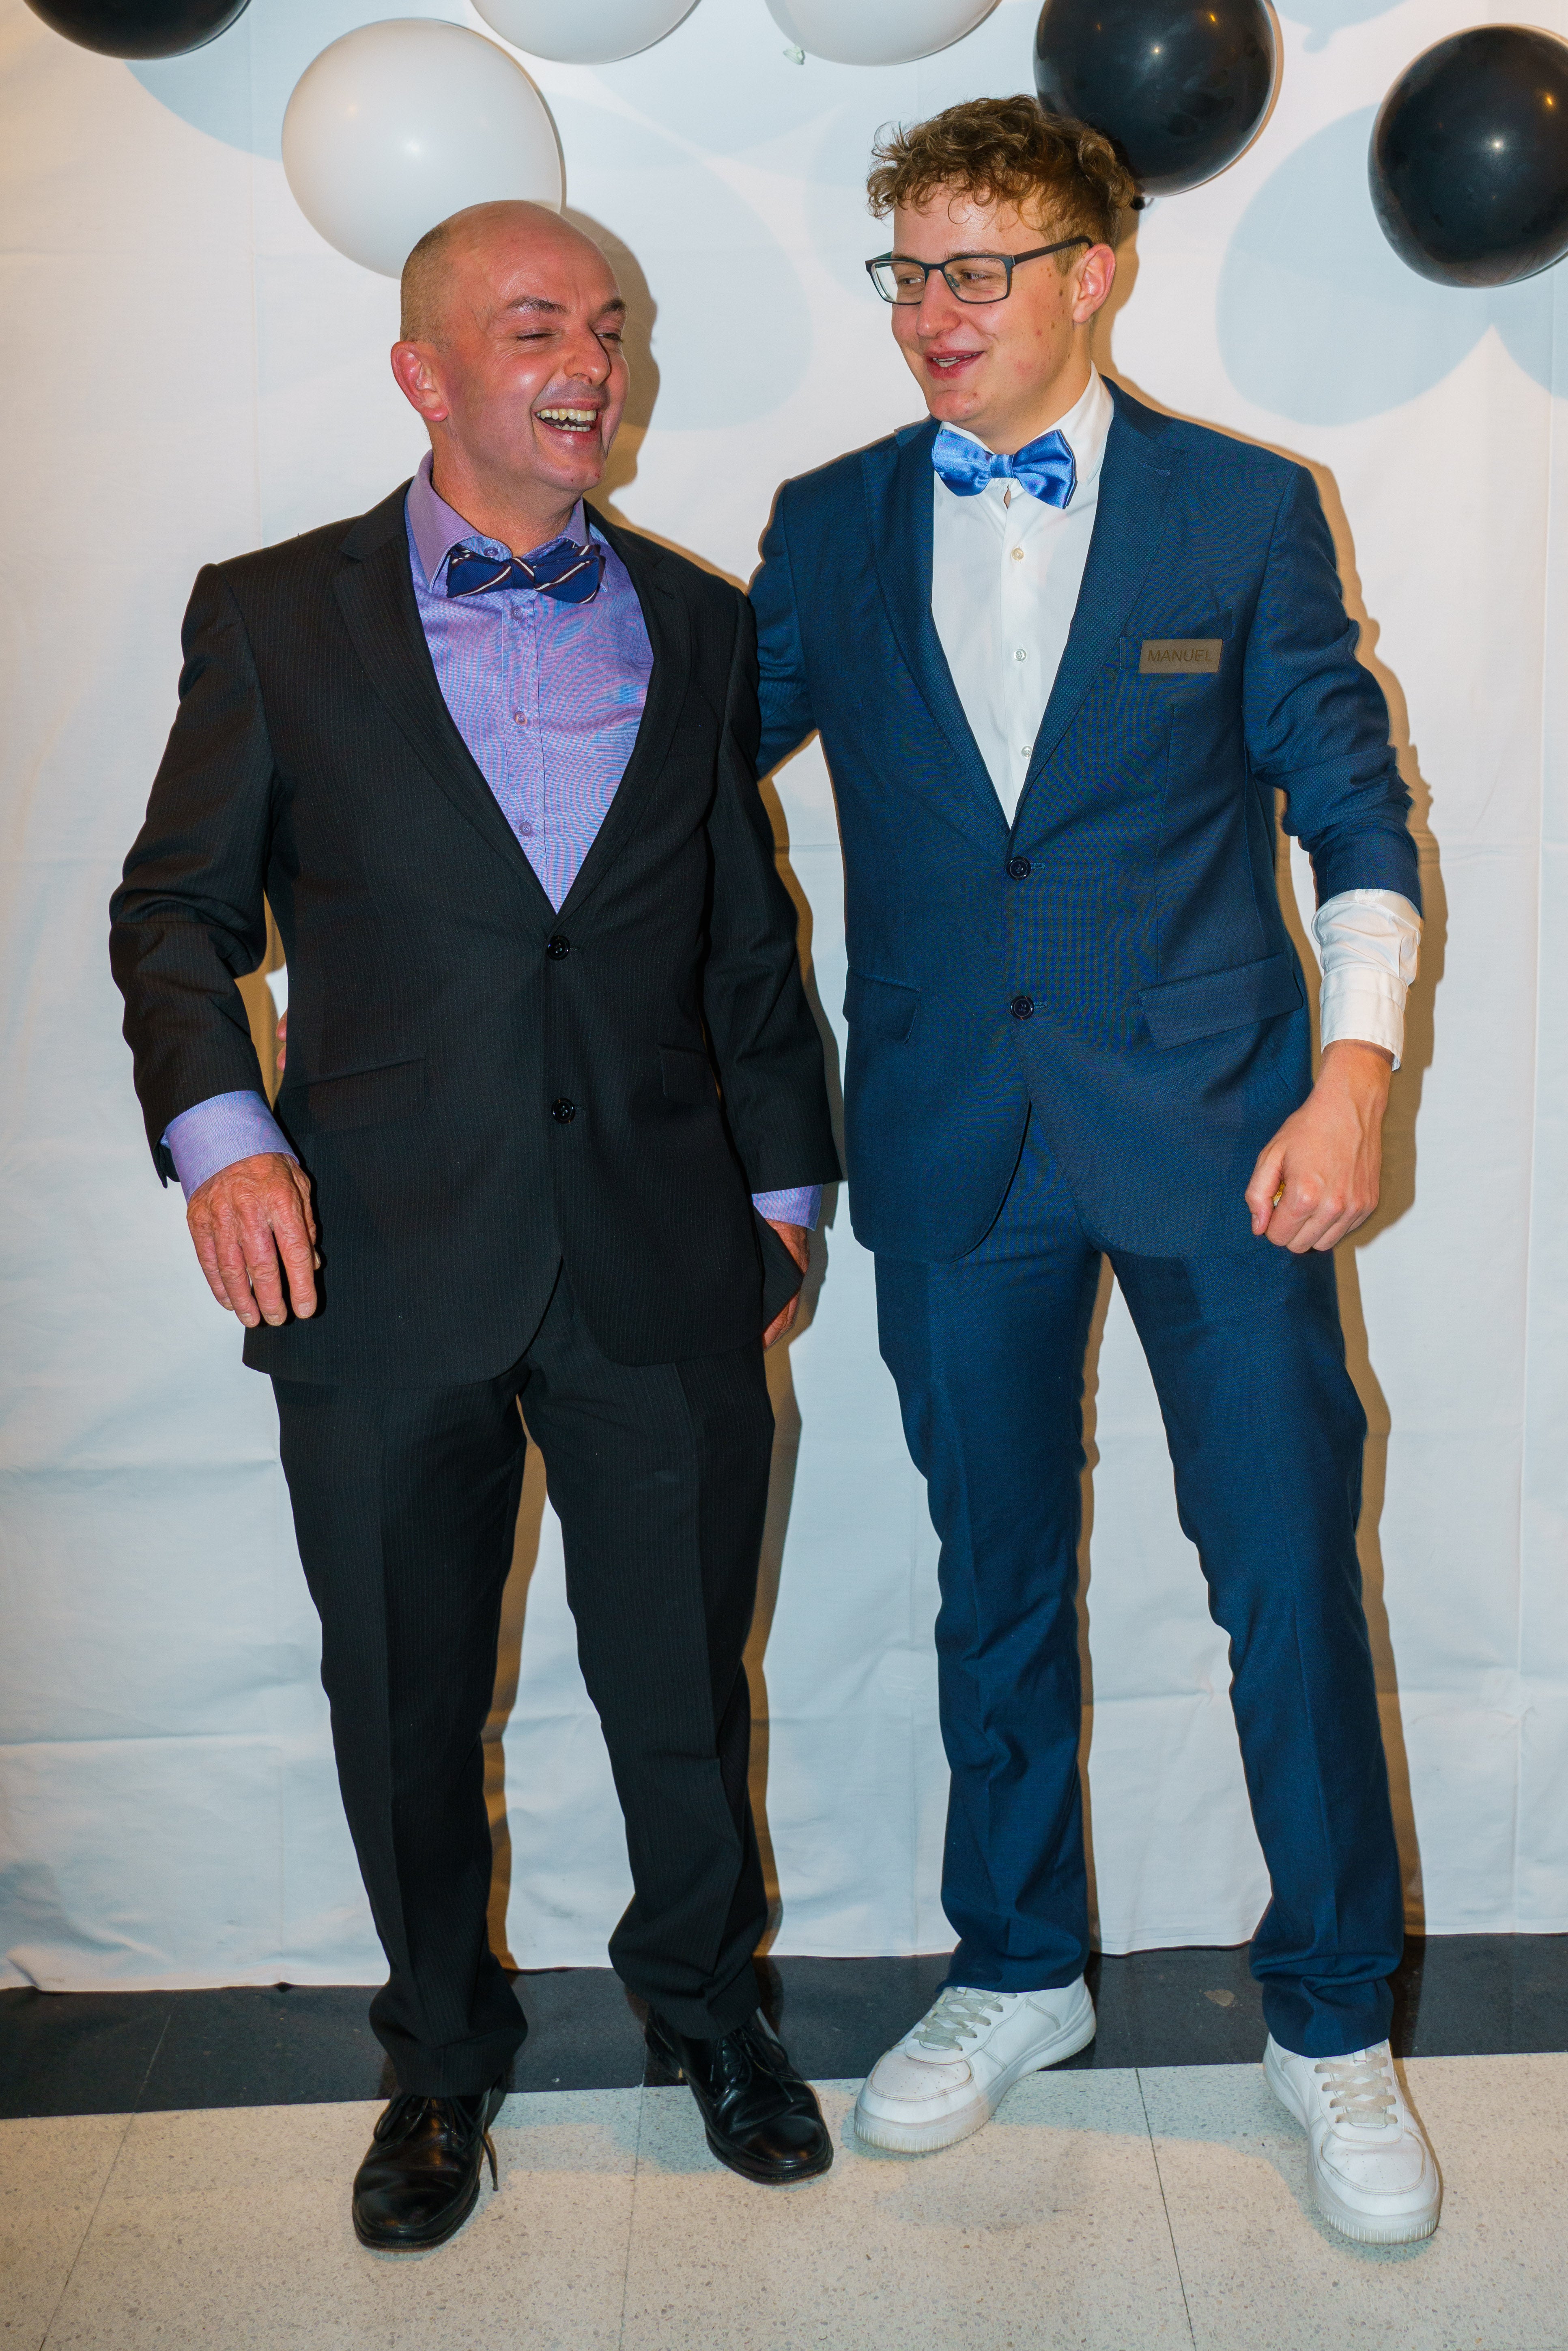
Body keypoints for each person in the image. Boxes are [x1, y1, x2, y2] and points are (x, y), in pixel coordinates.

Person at [110, 200, 841, 2247]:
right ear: (425, 374)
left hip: (662, 1257)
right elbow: (174, 913)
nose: (591, 363)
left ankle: (709, 2013)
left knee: (682, 1687)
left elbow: (745, 938)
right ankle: (437, 2061)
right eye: (538, 328)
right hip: (372, 1262)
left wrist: (782, 1205)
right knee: (406, 1696)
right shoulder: (275, 615)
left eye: (607, 325)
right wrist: (225, 1141)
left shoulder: (698, 622)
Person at [751, 99, 1439, 2248]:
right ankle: (1017, 1964)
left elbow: (1353, 812)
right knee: (993, 1578)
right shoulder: (827, 524)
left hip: (1226, 1138)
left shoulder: (1240, 509)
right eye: (908, 273)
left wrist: (1353, 1076)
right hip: (949, 1134)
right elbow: (671, 786)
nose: (931, 315)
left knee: (1283, 1575)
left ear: (1091, 272)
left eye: (977, 270)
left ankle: (1330, 2019)